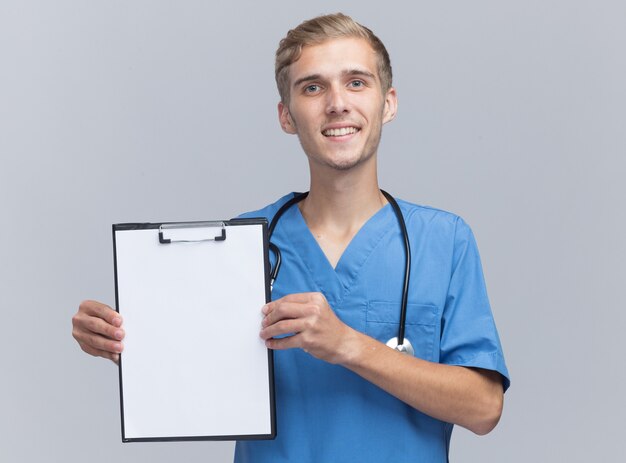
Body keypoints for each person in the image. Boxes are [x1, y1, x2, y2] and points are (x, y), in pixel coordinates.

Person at [72, 13, 510, 462]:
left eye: (356, 82)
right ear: (286, 115)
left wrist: (349, 345)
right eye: (313, 87)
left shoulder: (443, 241)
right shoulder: (242, 245)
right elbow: (200, 385)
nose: (337, 103)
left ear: (389, 104)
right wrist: (133, 346)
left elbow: (484, 409)